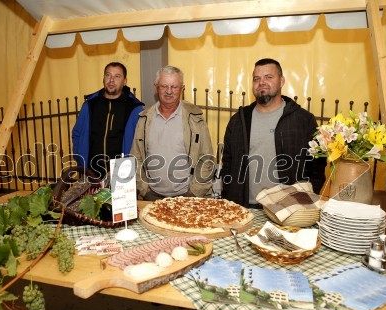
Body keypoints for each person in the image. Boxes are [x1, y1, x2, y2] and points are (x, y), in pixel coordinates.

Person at [221, 58, 326, 207]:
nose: (261, 82)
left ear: (282, 81)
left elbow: (317, 166)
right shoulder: (239, 121)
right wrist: (229, 197)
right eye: (256, 78)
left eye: (268, 77)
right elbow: (227, 164)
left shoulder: (303, 120)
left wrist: (306, 202)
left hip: (289, 210)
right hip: (244, 207)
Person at [130, 65, 214, 201]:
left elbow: (206, 158)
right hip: (152, 196)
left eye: (174, 87)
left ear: (182, 89)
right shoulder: (144, 119)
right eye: (164, 86)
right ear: (155, 87)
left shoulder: (195, 119)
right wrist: (145, 189)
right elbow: (136, 157)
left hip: (187, 196)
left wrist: (193, 193)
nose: (169, 91)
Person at [72, 62, 144, 178]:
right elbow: (77, 133)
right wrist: (81, 159)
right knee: (90, 197)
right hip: (90, 172)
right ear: (103, 78)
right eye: (108, 75)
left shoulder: (134, 108)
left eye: (117, 76)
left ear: (125, 81)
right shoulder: (90, 105)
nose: (111, 80)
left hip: (122, 172)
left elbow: (140, 142)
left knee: (120, 197)